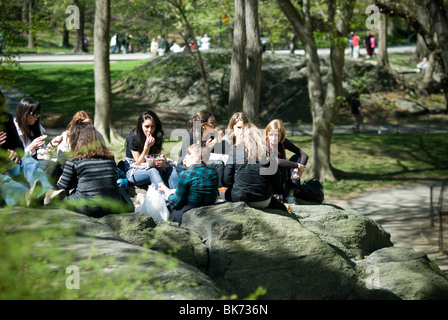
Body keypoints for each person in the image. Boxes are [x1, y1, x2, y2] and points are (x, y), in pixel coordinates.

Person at [0, 90, 65, 207]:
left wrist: (15, 152)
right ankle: (25, 197)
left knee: (29, 161)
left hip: (10, 164)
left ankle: (48, 192)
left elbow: (18, 147)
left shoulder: (7, 119)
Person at [57, 122, 133, 217]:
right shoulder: (109, 157)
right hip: (112, 207)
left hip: (87, 207)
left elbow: (62, 187)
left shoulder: (74, 160)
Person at [223, 123, 288, 212]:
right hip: (263, 200)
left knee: (226, 193)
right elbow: (277, 183)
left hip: (239, 199)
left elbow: (226, 181)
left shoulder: (235, 152)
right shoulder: (268, 153)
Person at [159, 143, 219, 224]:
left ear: (199, 156)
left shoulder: (186, 174)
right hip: (208, 211)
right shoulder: (214, 172)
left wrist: (165, 190)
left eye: (189, 153)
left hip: (187, 215)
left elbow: (176, 202)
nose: (185, 156)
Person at [124, 110, 178, 191]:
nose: (150, 130)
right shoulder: (133, 136)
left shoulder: (157, 135)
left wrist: (161, 160)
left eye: (152, 126)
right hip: (133, 170)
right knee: (152, 171)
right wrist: (147, 147)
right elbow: (139, 162)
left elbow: (155, 156)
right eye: (147, 126)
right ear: (140, 125)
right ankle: (164, 195)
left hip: (150, 166)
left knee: (170, 168)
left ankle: (177, 196)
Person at [13, 97, 62, 181]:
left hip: (35, 162)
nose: (37, 116)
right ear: (24, 113)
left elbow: (41, 152)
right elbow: (16, 159)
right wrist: (31, 147)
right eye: (34, 113)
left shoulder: (36, 128)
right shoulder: (14, 130)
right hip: (21, 166)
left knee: (60, 164)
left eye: (38, 113)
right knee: (49, 165)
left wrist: (51, 145)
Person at [177, 110, 229, 186]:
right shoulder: (190, 137)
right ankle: (219, 189)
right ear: (203, 126)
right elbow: (191, 161)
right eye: (212, 123)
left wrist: (220, 141)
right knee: (218, 164)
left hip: (202, 166)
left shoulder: (210, 136)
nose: (215, 125)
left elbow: (222, 153)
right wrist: (208, 147)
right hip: (185, 168)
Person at [265, 119, 308, 204]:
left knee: (298, 157)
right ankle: (283, 194)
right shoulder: (264, 145)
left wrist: (299, 170)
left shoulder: (283, 142)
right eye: (271, 135)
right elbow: (277, 162)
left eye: (277, 135)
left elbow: (304, 154)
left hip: (285, 176)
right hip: (273, 181)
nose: (273, 138)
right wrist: (297, 165)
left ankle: (291, 195)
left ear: (282, 135)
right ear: (267, 134)